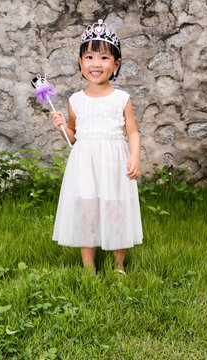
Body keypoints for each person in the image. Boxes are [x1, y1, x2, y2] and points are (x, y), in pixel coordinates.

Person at [51, 19, 143, 275]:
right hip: (85, 164)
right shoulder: (75, 101)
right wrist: (61, 128)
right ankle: (88, 269)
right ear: (80, 62)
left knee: (116, 210)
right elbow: (74, 136)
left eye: (104, 58)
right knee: (88, 211)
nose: (96, 63)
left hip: (114, 163)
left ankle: (119, 266)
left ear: (116, 64)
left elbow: (133, 132)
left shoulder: (121, 99)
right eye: (89, 56)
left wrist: (134, 157)